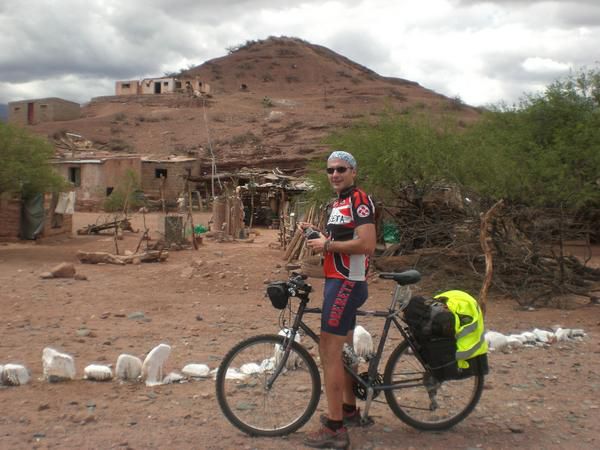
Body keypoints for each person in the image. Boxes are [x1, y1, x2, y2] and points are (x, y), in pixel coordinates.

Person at [300, 150, 376, 449]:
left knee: (329, 350)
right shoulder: (339, 202)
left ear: (353, 171)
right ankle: (348, 409)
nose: (335, 174)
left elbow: (367, 243)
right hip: (338, 280)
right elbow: (339, 239)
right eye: (330, 170)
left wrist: (327, 244)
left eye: (341, 169)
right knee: (342, 349)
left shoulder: (359, 200)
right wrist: (315, 234)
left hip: (347, 282)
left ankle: (335, 429)